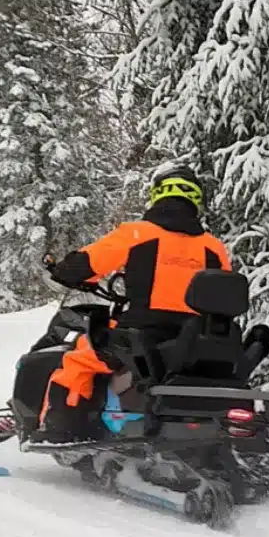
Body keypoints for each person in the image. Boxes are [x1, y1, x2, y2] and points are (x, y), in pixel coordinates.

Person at [36, 167, 232, 444]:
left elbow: (91, 261)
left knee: (78, 360)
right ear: (195, 200)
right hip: (196, 341)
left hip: (141, 334)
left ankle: (59, 431)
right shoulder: (214, 247)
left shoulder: (138, 233)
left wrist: (64, 270)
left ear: (157, 195)